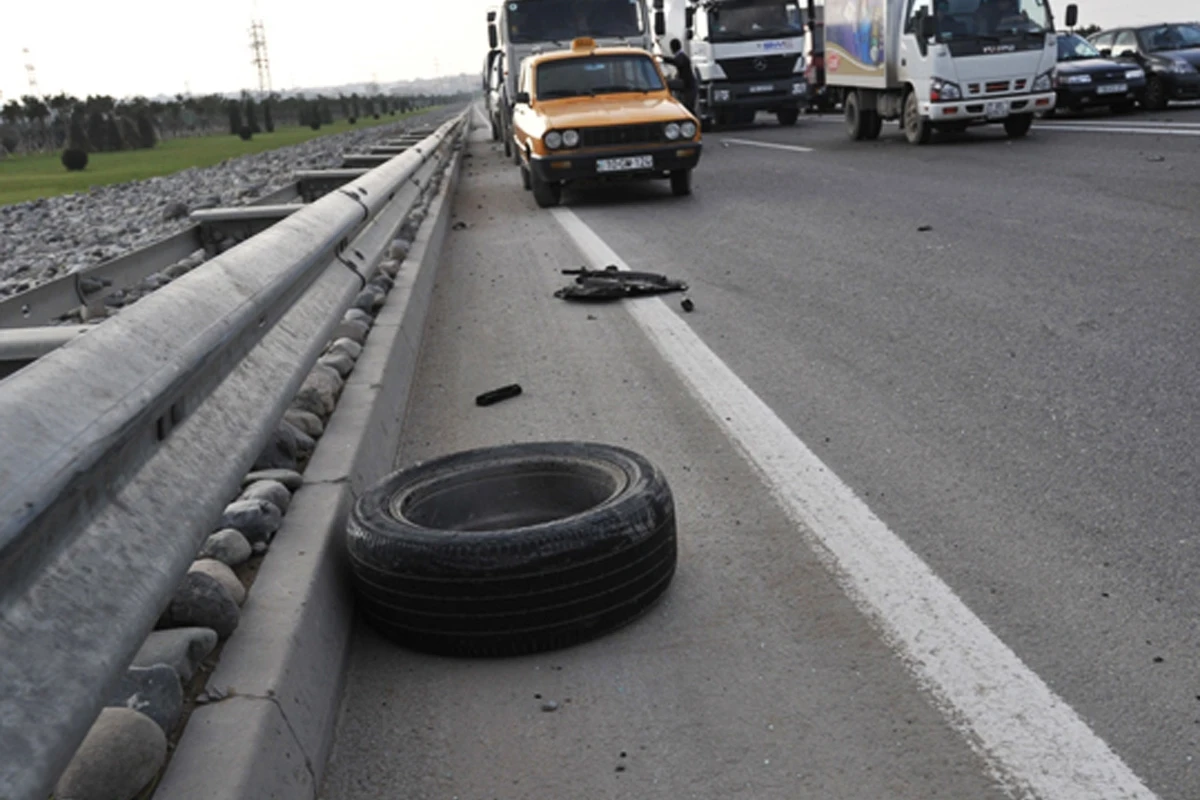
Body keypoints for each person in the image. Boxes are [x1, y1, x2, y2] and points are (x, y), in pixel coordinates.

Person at [670, 39, 698, 115]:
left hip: (689, 88)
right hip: (689, 87)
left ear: (673, 48)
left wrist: (664, 59)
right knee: (688, 108)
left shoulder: (681, 57)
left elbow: (677, 62)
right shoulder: (682, 56)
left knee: (688, 108)